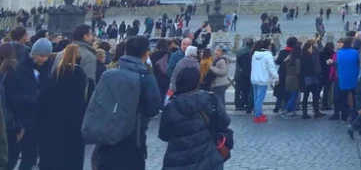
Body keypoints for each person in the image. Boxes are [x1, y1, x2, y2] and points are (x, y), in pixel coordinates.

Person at [89, 35, 163, 170]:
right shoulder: (146, 78)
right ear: (146, 53)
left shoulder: (109, 73)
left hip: (105, 136)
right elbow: (153, 108)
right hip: (132, 138)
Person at [158, 66, 231, 170]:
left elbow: (163, 135)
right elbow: (225, 121)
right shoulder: (211, 100)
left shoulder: (171, 106)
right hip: (207, 157)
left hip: (177, 160)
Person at [36, 43, 92, 170]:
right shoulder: (85, 81)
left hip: (51, 130)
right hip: (75, 130)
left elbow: (40, 102)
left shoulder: (54, 78)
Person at [7, 37, 52, 169]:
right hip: (20, 120)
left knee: (29, 157)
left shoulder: (47, 68)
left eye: (46, 56)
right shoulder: (19, 69)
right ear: (34, 54)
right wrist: (34, 100)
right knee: (12, 156)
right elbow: (12, 96)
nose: (44, 59)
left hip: (36, 120)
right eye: (42, 56)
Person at [250, 38, 278, 123]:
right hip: (263, 79)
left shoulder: (255, 54)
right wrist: (276, 77)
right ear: (269, 46)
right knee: (260, 98)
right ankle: (258, 115)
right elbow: (271, 68)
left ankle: (258, 112)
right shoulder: (268, 56)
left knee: (256, 97)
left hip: (254, 78)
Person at [333, 37, 359, 122]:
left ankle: (344, 116)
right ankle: (355, 115)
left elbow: (337, 64)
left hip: (342, 78)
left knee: (343, 99)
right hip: (354, 78)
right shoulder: (355, 52)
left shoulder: (339, 53)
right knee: (355, 99)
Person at [299, 41, 322, 118]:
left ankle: (304, 113)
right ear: (308, 48)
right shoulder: (309, 57)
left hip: (305, 79)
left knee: (305, 96)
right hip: (312, 79)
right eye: (311, 48)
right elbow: (311, 68)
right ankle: (316, 112)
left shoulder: (302, 56)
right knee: (315, 95)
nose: (312, 49)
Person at [233, 38, 254, 113]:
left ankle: (238, 105)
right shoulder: (250, 52)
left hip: (238, 73)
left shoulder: (240, 51)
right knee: (246, 90)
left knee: (238, 90)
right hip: (245, 74)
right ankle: (244, 104)